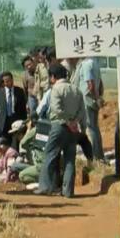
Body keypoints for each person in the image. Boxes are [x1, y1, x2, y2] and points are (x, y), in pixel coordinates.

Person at [35, 64, 84, 198]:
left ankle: (45, 186)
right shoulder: (76, 89)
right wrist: (74, 122)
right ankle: (68, 191)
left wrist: (67, 121)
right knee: (69, 159)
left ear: (53, 77)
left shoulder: (56, 89)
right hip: (73, 128)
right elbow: (82, 111)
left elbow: (56, 109)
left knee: (49, 155)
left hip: (59, 126)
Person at [73, 57, 104, 161]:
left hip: (87, 99)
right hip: (92, 99)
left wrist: (96, 97)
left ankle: (95, 156)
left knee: (90, 128)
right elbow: (100, 83)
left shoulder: (86, 64)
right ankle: (99, 154)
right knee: (95, 128)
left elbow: (90, 84)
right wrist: (99, 97)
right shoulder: (95, 62)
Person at [2, 71, 28, 149]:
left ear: (12, 80)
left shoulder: (19, 91)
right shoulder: (0, 92)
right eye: (5, 81)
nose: (7, 83)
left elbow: (23, 108)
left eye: (8, 80)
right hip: (5, 120)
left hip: (16, 119)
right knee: (5, 142)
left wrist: (24, 121)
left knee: (16, 142)